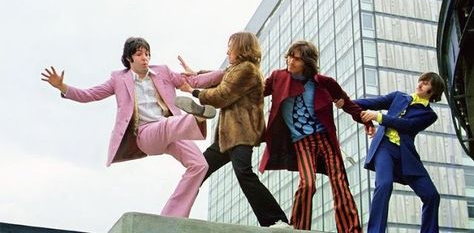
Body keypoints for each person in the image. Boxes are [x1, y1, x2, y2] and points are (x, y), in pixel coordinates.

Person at [41, 37, 225, 218]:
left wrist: (227, 72)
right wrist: (62, 86)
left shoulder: (163, 72)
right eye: (139, 54)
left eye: (147, 54)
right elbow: (90, 94)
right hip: (146, 134)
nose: (145, 58)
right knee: (167, 124)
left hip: (172, 131)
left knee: (200, 165)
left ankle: (172, 216)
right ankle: (197, 118)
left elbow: (193, 82)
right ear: (129, 58)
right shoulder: (118, 79)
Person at [258, 40, 374, 232]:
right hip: (301, 142)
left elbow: (348, 103)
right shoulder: (278, 78)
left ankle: (351, 230)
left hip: (325, 138)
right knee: (308, 184)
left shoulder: (324, 82)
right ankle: (299, 228)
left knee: (339, 183)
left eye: (297, 58)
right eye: (290, 56)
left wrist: (367, 121)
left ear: (307, 62)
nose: (291, 61)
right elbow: (254, 90)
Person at [177, 31, 290, 228]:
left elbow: (223, 94)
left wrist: (193, 91)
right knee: (199, 169)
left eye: (231, 46)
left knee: (243, 173)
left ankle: (277, 220)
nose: (227, 50)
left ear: (242, 48)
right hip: (226, 137)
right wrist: (195, 75)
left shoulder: (247, 70)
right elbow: (220, 77)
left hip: (241, 132)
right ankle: (176, 212)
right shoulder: (237, 69)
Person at [354, 72, 445, 233]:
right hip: (385, 148)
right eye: (421, 80)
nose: (421, 83)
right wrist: (345, 102)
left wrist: (379, 117)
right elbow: (372, 102)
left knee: (432, 195)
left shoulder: (430, 115)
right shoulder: (398, 97)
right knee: (384, 184)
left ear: (433, 92)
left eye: (426, 83)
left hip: (406, 156)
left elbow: (408, 125)